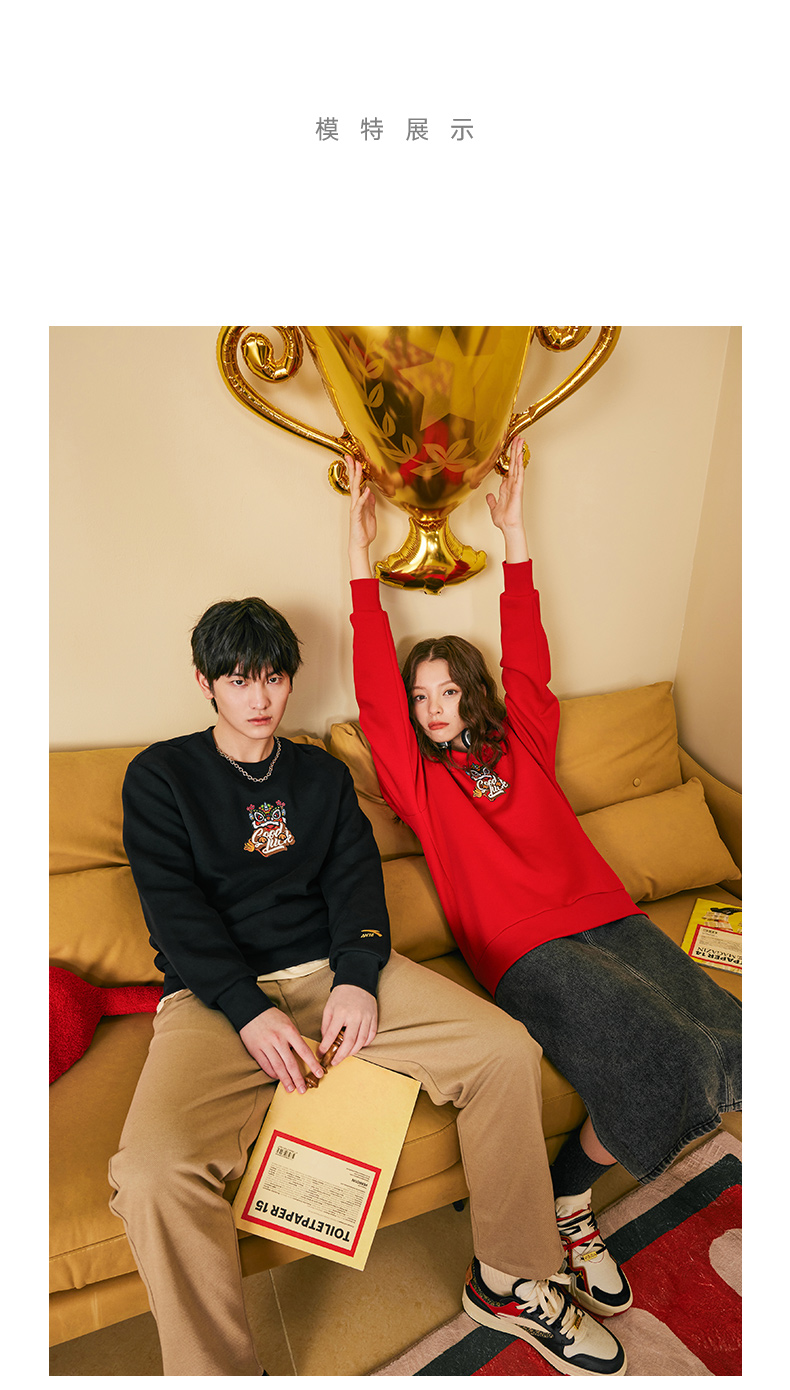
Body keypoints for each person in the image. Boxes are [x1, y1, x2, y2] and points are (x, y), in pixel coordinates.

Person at [109, 593, 629, 1377]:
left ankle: (509, 1281)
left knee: (503, 1049)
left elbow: (357, 886)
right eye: (239, 679)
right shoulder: (160, 775)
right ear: (204, 682)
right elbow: (174, 912)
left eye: (273, 677)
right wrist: (247, 1010)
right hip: (215, 998)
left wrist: (357, 978)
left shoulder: (320, 774)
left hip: (333, 970)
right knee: (152, 1171)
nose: (259, 698)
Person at [348, 440, 742, 1323]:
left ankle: (568, 1206)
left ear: (474, 693)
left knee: (730, 1033)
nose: (434, 708)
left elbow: (529, 658)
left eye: (448, 692)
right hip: (523, 949)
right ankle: (571, 1206)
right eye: (421, 698)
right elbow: (372, 688)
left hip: (607, 914)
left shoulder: (521, 739)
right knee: (659, 1048)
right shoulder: (418, 782)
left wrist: (515, 532)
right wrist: (358, 555)